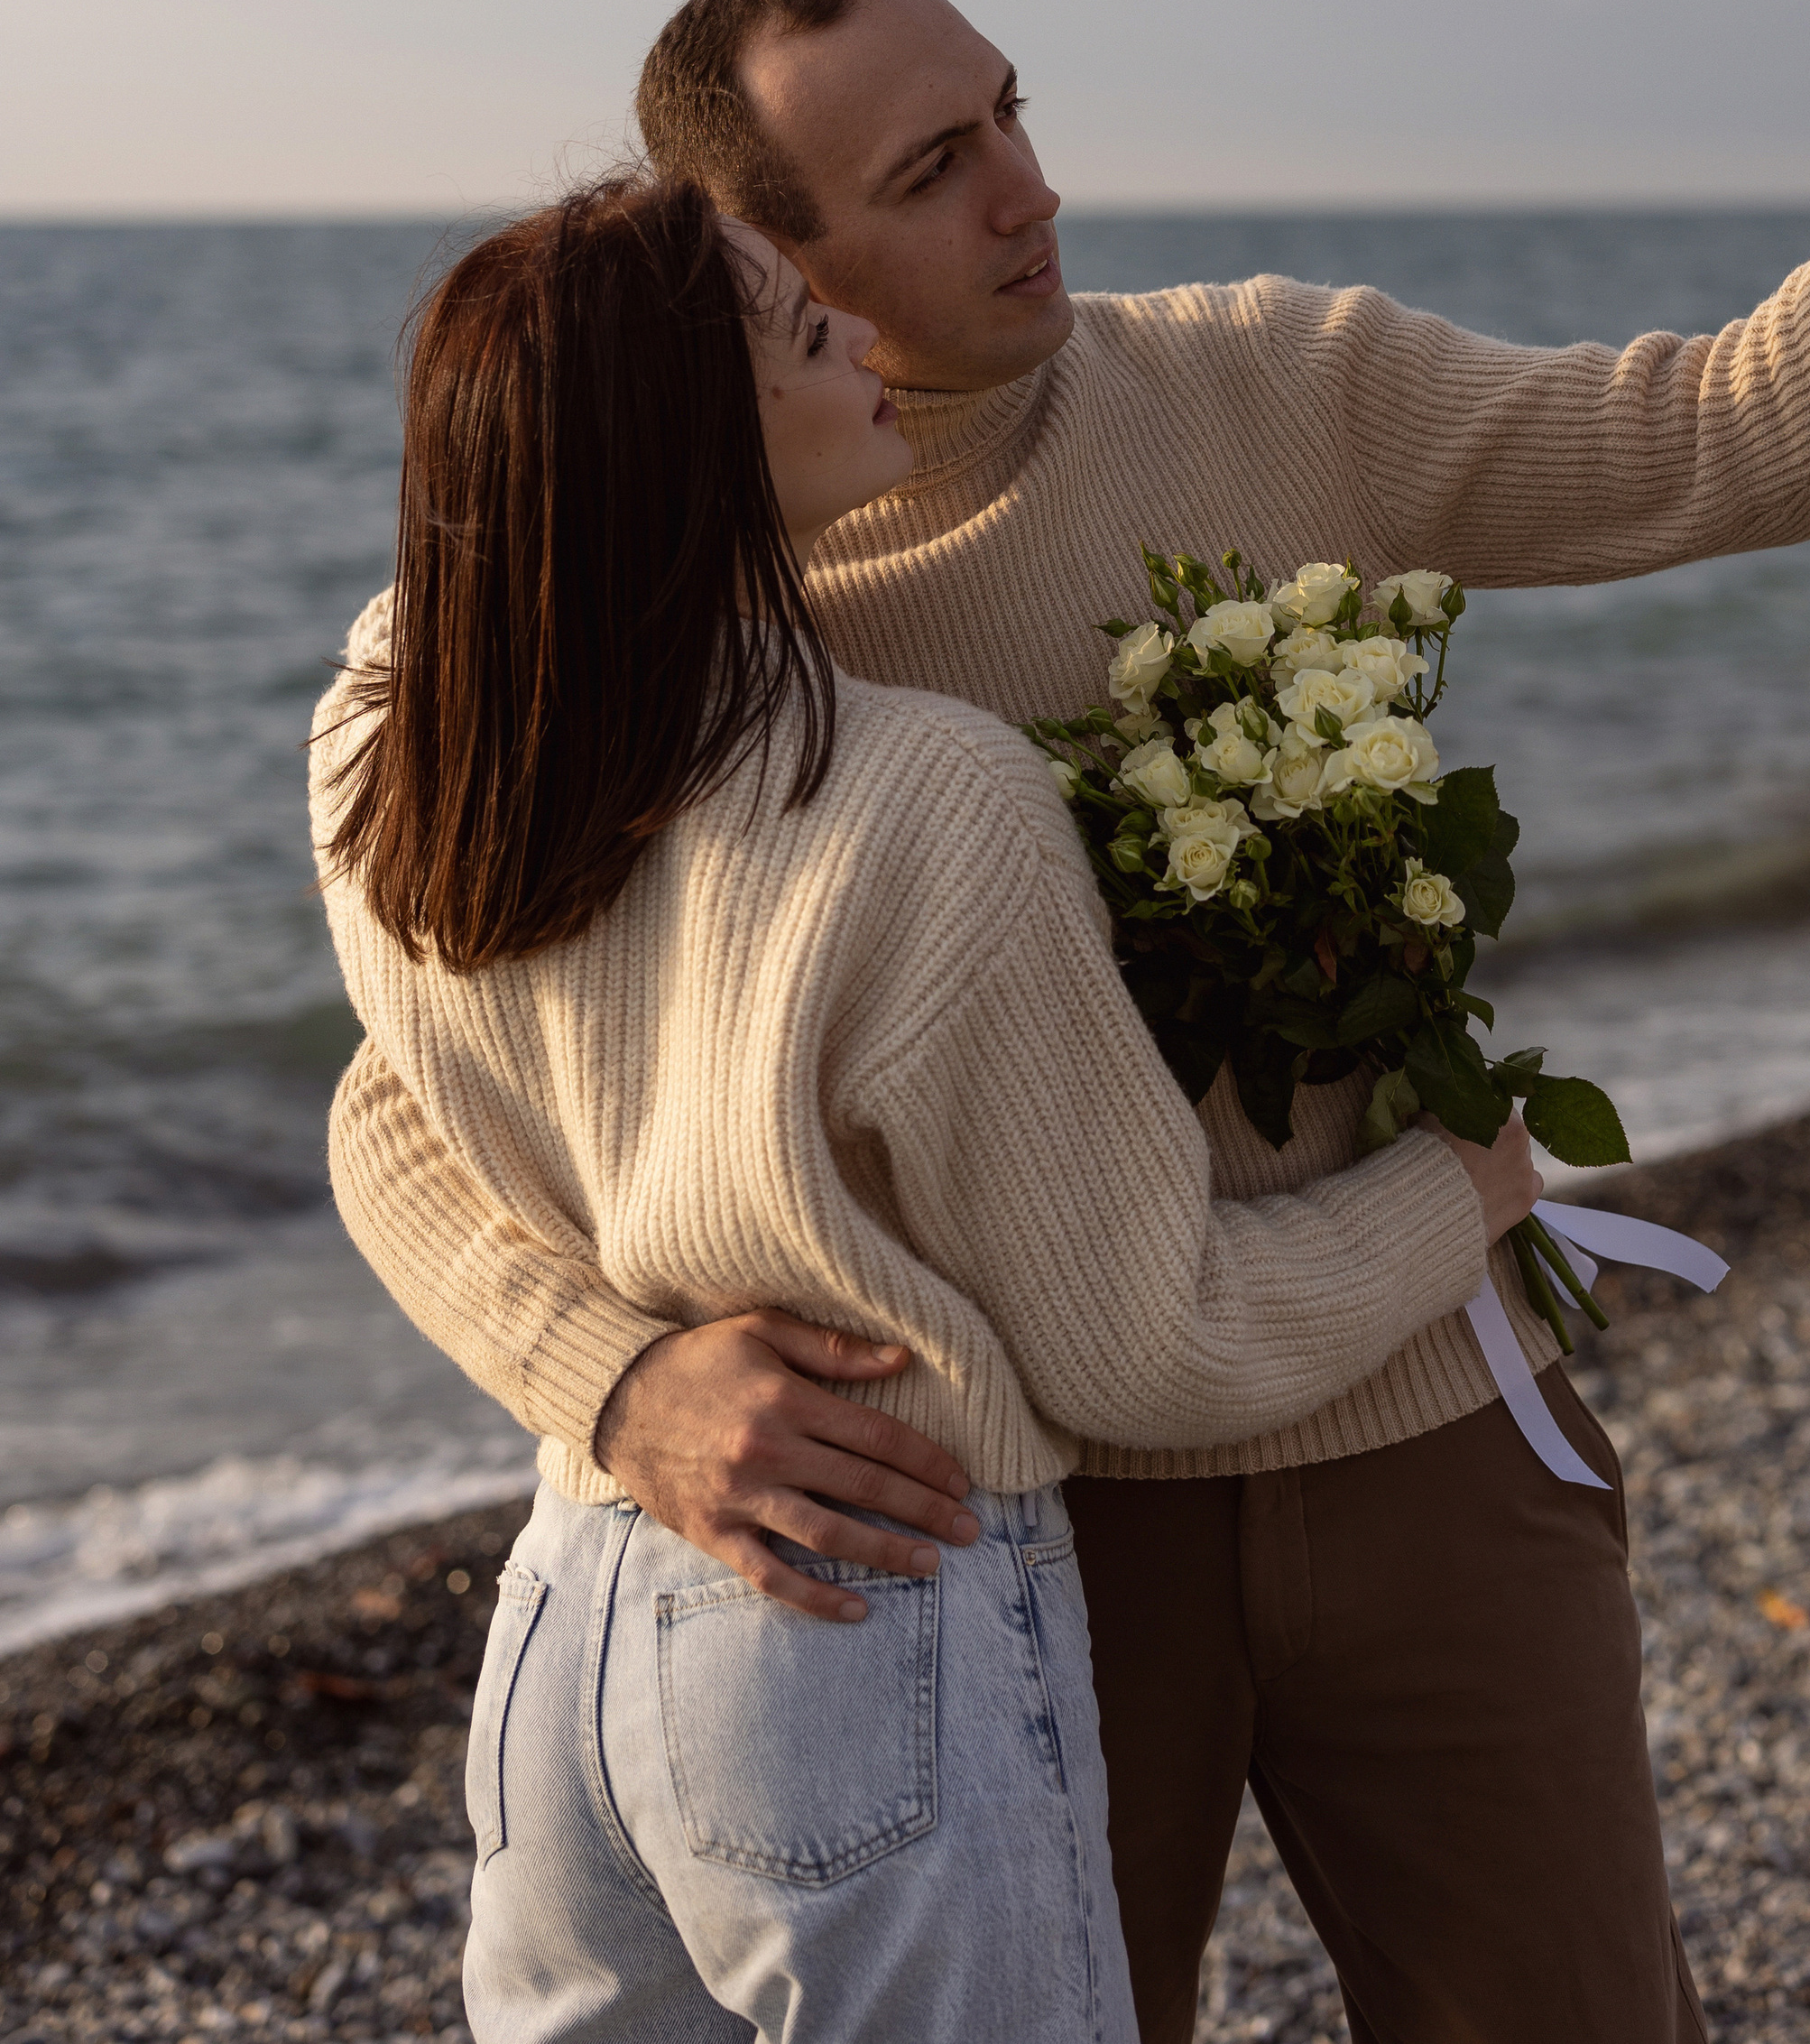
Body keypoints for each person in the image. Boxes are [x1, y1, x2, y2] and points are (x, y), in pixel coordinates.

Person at [332, 0, 1810, 2043]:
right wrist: (606, 1373)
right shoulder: (664, 602)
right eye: (927, 171)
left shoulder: (1264, 382)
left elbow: (1719, 434)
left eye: (1007, 112)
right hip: (1006, 1528)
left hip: (1420, 1428)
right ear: (752, 262)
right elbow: (410, 1089)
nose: (1026, 192)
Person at [311, 180, 1538, 2044]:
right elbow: (1151, 1343)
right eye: (805, 338)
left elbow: (381, 1116)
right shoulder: (921, 796)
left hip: (569, 1627)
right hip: (863, 1633)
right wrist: (1461, 1186)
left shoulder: (402, 731)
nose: (860, 338)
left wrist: (608, 1377)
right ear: (704, 448)